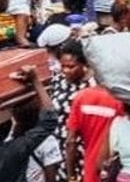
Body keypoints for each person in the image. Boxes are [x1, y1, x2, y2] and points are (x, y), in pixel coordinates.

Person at [65, 82, 124, 182]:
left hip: (89, 170)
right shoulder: (121, 101)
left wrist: (71, 176)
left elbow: (71, 141)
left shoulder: (81, 97)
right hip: (112, 172)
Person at [51, 40, 93, 181]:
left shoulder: (91, 87)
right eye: (63, 66)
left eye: (71, 66)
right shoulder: (58, 81)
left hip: (80, 149)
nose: (65, 71)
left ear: (84, 64)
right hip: (58, 147)